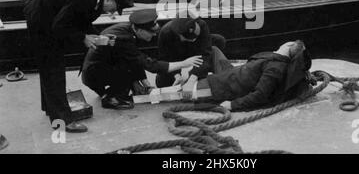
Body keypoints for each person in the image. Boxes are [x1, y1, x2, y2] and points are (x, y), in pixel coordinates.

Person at [23, 0, 133, 133]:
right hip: (41, 18)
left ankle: (49, 107)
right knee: (53, 68)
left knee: (51, 67)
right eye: (114, 9)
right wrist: (83, 38)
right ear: (109, 0)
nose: (112, 13)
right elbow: (59, 26)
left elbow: (81, 20)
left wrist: (99, 36)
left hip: (51, 16)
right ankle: (62, 120)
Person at [82, 9, 203, 110]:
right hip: (94, 76)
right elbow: (150, 65)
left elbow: (135, 58)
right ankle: (110, 99)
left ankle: (114, 91)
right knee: (127, 73)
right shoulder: (123, 39)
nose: (154, 35)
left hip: (101, 69)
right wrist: (184, 63)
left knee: (131, 67)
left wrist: (144, 83)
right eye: (151, 32)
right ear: (139, 30)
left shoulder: (129, 30)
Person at [181, 40, 312, 112]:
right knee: (214, 50)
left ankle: (188, 83)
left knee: (184, 93)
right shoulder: (276, 59)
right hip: (232, 73)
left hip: (223, 87)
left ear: (287, 45)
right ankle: (191, 78)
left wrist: (233, 105)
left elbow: (260, 95)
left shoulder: (275, 68)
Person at [156, 16, 226, 88]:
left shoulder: (202, 25)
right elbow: (165, 59)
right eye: (190, 39)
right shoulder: (165, 33)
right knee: (161, 81)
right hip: (176, 54)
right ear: (179, 35)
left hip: (195, 50)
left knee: (219, 41)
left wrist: (193, 78)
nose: (193, 40)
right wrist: (176, 75)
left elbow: (205, 54)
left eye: (195, 38)